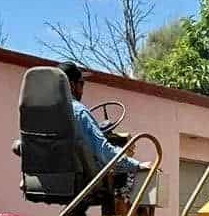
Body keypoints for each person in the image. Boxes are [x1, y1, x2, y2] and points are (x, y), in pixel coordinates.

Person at [58, 61, 148, 195]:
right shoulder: (78, 112)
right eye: (81, 84)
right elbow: (103, 151)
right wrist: (136, 165)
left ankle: (77, 213)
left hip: (54, 176)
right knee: (130, 171)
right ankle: (130, 212)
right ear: (72, 85)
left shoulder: (40, 113)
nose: (82, 90)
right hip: (82, 178)